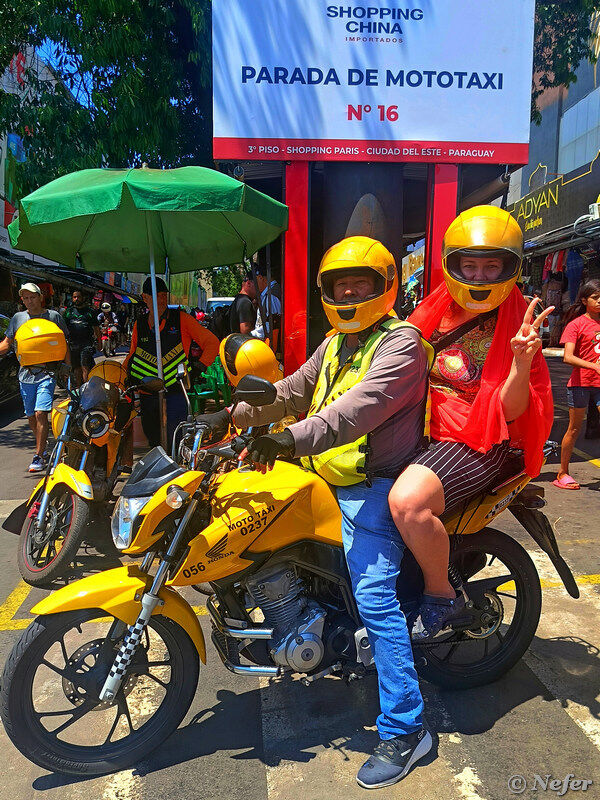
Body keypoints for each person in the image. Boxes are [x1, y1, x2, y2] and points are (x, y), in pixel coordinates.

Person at [198, 236, 435, 789]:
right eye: (339, 286)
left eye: (360, 284)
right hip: (324, 475)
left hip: (372, 485)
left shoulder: (402, 344)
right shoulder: (335, 343)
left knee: (375, 598)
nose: (348, 294)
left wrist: (287, 439)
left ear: (385, 287)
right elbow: (288, 392)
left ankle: (407, 728)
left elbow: (355, 411)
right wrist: (229, 417)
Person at [387, 206, 554, 641]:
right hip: (419, 430)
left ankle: (441, 597)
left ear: (510, 268)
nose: (479, 277)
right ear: (453, 265)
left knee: (408, 504)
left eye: (491, 267)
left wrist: (522, 360)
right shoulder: (434, 309)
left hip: (478, 441)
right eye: (470, 266)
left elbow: (510, 411)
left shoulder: (518, 323)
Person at [124, 276, 219, 447]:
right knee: (153, 439)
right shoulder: (140, 324)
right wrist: (121, 376)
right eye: (156, 296)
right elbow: (132, 355)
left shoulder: (182, 319)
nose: (161, 300)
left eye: (163, 295)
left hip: (176, 391)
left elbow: (212, 343)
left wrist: (199, 366)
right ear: (145, 298)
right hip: (148, 393)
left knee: (176, 438)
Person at [0, 283, 70, 472]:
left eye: (32, 297)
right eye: (26, 298)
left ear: (40, 297)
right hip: (25, 374)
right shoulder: (18, 318)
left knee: (41, 413)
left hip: (48, 373)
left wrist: (67, 366)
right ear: (22, 300)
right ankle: (43, 444)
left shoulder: (53, 317)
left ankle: (38, 455)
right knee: (31, 416)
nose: (29, 301)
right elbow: (7, 343)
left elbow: (64, 343)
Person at [553, 279, 600, 489]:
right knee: (573, 429)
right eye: (595, 297)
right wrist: (594, 366)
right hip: (580, 384)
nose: (599, 301)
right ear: (584, 300)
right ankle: (562, 473)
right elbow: (568, 357)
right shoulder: (576, 324)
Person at [63, 290, 100, 385]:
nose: (76, 299)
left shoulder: (90, 312)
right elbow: (63, 328)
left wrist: (100, 342)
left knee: (85, 367)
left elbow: (96, 328)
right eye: (74, 297)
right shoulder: (68, 312)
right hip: (73, 344)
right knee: (76, 369)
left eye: (78, 297)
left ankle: (85, 389)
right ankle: (79, 388)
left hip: (86, 344)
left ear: (83, 298)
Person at [251, 265, 281, 340]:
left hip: (270, 342)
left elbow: (272, 324)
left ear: (260, 278)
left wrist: (251, 335)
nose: (253, 284)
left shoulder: (271, 295)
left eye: (254, 280)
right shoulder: (269, 294)